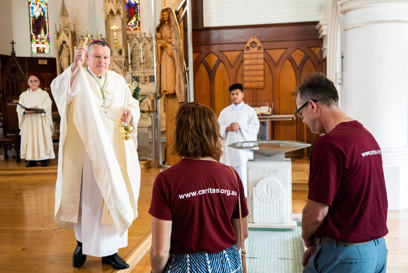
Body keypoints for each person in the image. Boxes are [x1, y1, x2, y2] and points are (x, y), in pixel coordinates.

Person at [50, 40, 141, 270]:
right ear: (88, 58)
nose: (102, 62)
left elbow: (132, 103)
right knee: (87, 202)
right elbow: (60, 90)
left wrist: (130, 113)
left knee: (113, 197)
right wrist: (74, 66)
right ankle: (82, 244)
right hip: (88, 154)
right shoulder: (78, 76)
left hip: (114, 150)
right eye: (97, 57)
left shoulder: (119, 81)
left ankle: (111, 252)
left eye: (105, 57)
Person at [297, 73, 388, 273]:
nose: (303, 120)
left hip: (347, 256)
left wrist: (307, 240)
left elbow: (316, 212)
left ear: (312, 106)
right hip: (378, 250)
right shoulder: (366, 136)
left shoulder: (329, 144)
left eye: (300, 113)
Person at [149, 102, 249, 273]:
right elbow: (242, 234)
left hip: (184, 265)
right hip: (228, 263)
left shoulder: (166, 180)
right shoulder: (231, 175)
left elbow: (159, 252)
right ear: (213, 134)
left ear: (180, 135)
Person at [218, 83, 260, 196]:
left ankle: (243, 195)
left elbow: (255, 127)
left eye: (237, 93)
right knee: (228, 172)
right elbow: (218, 127)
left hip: (243, 151)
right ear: (230, 95)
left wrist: (240, 126)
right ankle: (229, 194)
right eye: (232, 94)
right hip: (229, 150)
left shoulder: (249, 111)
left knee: (242, 172)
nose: (235, 96)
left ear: (242, 95)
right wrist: (227, 128)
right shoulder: (224, 112)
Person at [17, 75, 55, 167]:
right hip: (28, 121)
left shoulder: (44, 94)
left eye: (35, 81)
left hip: (40, 122)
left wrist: (38, 107)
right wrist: (24, 111)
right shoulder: (23, 95)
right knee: (30, 139)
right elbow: (19, 108)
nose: (33, 83)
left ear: (39, 83)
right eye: (31, 81)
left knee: (41, 138)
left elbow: (47, 105)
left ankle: (44, 159)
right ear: (28, 83)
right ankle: (32, 160)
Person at [156, 7, 185, 103]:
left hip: (170, 52)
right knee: (164, 71)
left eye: (166, 15)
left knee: (171, 70)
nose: (165, 17)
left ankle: (172, 88)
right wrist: (160, 40)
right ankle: (165, 87)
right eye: (163, 15)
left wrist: (168, 43)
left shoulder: (172, 27)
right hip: (164, 53)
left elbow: (175, 40)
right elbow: (159, 41)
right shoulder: (161, 27)